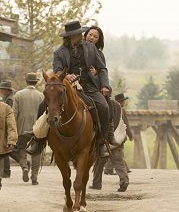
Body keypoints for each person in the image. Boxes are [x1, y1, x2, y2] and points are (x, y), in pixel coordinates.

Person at [53, 20, 111, 156]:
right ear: (71, 37)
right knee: (45, 106)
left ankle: (102, 141)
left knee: (104, 107)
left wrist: (104, 85)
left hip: (90, 86)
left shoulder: (90, 48)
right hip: (68, 88)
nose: (82, 36)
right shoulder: (58, 53)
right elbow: (57, 72)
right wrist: (66, 76)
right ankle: (37, 139)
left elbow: (102, 68)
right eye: (79, 34)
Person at [90, 96, 130, 191]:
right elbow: (123, 122)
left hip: (103, 139)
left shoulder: (98, 104)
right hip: (117, 139)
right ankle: (124, 180)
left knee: (99, 163)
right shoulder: (117, 106)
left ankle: (96, 183)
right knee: (119, 162)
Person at [13, 72, 45, 185]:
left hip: (21, 128)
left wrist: (13, 129)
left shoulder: (18, 95)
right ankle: (34, 177)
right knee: (36, 151)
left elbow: (14, 113)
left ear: (26, 81)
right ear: (36, 82)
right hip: (37, 129)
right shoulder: (42, 96)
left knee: (21, 150)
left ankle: (24, 168)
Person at [104, 93, 133, 175]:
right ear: (121, 102)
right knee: (118, 153)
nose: (124, 102)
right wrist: (130, 135)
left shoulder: (111, 108)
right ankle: (110, 169)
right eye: (123, 101)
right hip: (119, 135)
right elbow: (126, 124)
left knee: (114, 152)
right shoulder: (121, 110)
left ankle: (110, 169)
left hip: (111, 135)